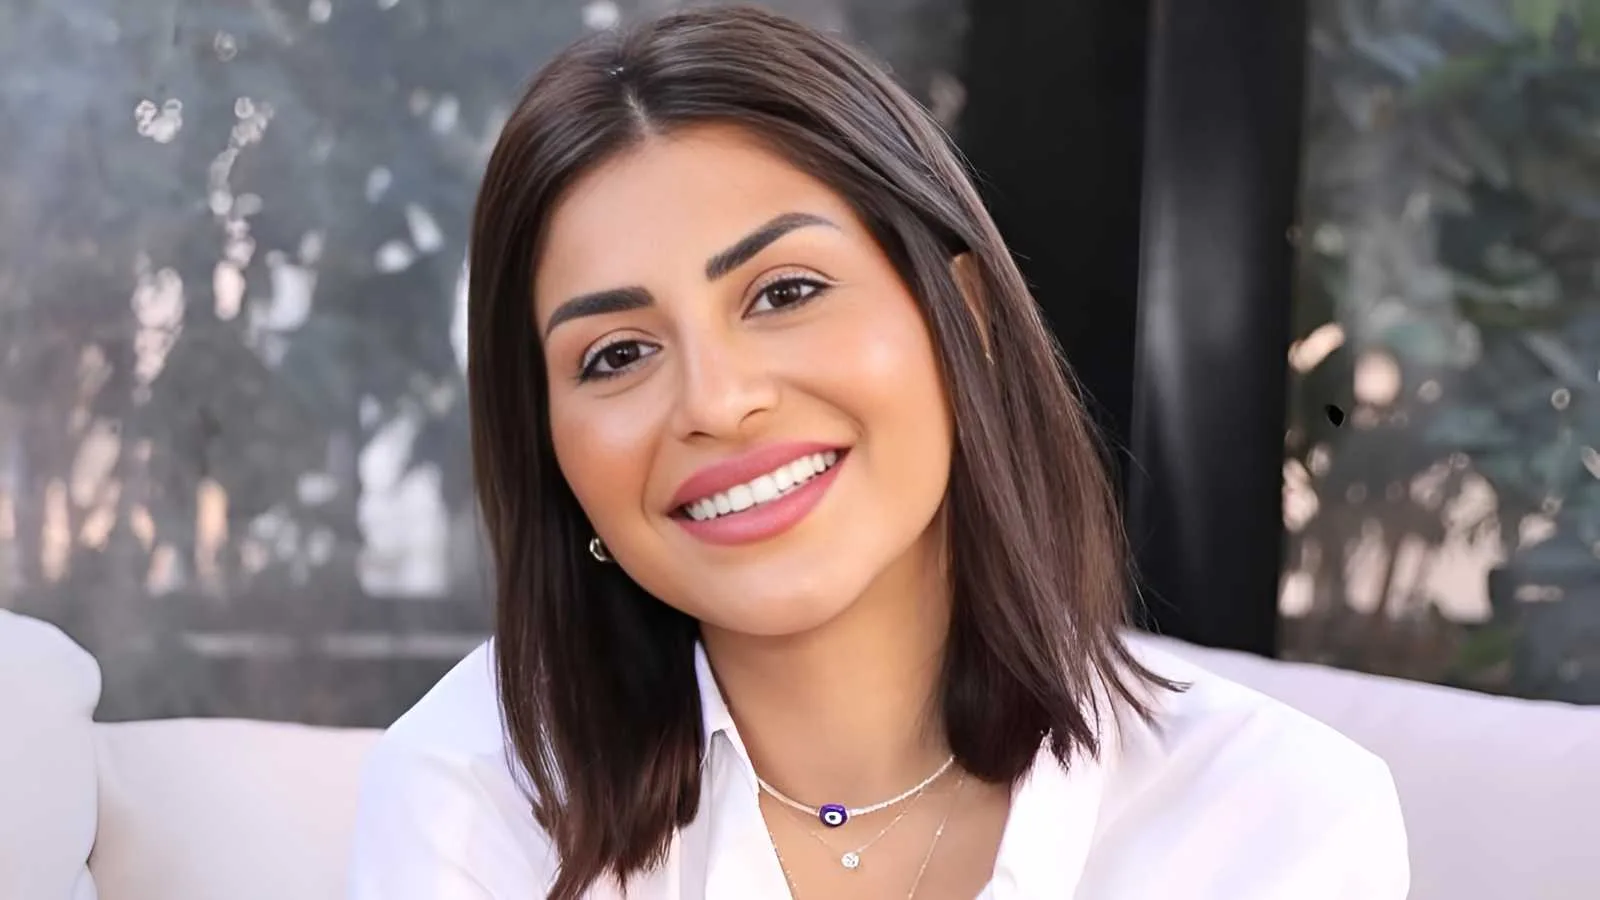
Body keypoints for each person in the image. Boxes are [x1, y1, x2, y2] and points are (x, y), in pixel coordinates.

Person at [346, 6, 1409, 899]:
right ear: (550, 445)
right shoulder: (478, 796)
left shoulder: (1268, 815)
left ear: (963, 315)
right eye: (617, 354)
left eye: (784, 292)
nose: (716, 403)